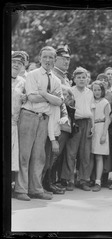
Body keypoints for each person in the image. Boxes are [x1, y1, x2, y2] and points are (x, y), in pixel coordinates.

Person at [14, 46, 63, 201]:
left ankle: (35, 188)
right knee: (24, 154)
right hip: (28, 116)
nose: (48, 60)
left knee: (39, 156)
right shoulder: (33, 75)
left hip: (44, 118)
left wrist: (42, 93)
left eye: (51, 57)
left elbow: (60, 101)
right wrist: (49, 96)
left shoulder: (56, 80)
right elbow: (32, 98)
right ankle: (21, 189)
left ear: (55, 60)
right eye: (45, 57)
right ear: (40, 59)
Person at [42, 45, 73, 194]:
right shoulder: (54, 75)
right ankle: (45, 182)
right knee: (52, 153)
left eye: (68, 59)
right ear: (56, 59)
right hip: (54, 120)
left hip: (64, 121)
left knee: (57, 154)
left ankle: (50, 181)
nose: (66, 62)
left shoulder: (65, 77)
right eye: (63, 58)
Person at [60, 67, 94, 191]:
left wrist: (93, 126)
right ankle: (69, 179)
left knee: (85, 153)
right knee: (71, 152)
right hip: (75, 123)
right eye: (78, 77)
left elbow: (92, 110)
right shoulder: (71, 91)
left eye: (84, 77)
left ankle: (83, 180)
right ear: (74, 79)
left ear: (87, 79)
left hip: (87, 123)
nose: (81, 80)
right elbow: (67, 108)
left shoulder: (90, 92)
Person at [97, 71, 112, 187]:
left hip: (108, 126)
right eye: (102, 79)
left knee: (106, 153)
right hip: (95, 125)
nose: (104, 82)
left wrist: (107, 123)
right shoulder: (94, 92)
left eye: (106, 80)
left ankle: (104, 177)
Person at [90, 80, 111, 192]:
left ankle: (98, 181)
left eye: (99, 90)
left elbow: (107, 118)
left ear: (102, 91)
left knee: (99, 156)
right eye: (95, 90)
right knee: (91, 155)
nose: (97, 92)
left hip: (101, 127)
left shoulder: (105, 102)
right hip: (93, 128)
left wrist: (104, 134)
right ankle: (90, 179)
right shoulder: (91, 100)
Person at [11, 51, 26, 190]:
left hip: (15, 123)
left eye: (19, 63)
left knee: (12, 155)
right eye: (14, 62)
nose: (16, 65)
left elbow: (25, 99)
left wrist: (24, 98)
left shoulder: (23, 81)